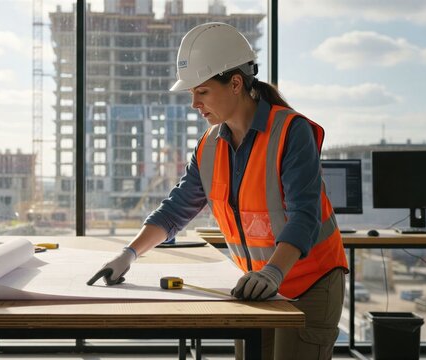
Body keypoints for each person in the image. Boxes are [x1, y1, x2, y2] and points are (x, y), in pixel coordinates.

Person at [87, 22, 349, 360]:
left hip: (310, 284)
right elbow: (174, 210)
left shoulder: (290, 132)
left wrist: (273, 271)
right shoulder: (209, 147)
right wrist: (128, 255)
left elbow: (304, 215)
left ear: (236, 83)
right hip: (256, 285)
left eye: (203, 91)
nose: (194, 103)